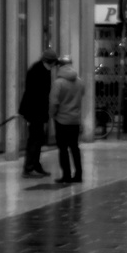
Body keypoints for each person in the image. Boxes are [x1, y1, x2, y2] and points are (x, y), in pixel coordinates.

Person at [18, 47, 58, 177]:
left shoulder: (42, 70)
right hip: (35, 111)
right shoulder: (37, 71)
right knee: (35, 139)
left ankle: (35, 165)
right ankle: (29, 166)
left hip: (38, 111)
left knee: (38, 139)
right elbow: (36, 95)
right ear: (50, 62)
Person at [49, 61, 86, 184]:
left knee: (63, 148)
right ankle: (79, 174)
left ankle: (66, 175)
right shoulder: (79, 81)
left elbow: (54, 102)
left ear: (59, 68)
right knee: (75, 147)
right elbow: (83, 94)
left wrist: (52, 114)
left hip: (61, 120)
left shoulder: (58, 83)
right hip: (75, 119)